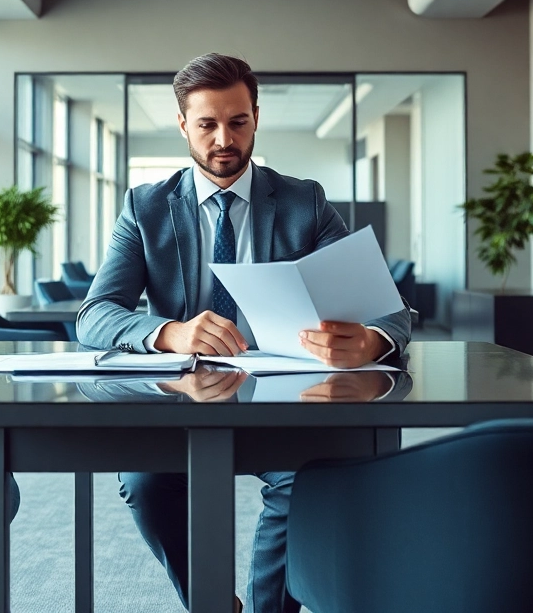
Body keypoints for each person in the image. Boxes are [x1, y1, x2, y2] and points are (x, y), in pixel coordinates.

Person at [77, 53, 412, 613]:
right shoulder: (147, 207)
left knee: (300, 484)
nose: (223, 139)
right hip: (181, 397)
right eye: (207, 124)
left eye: (237, 121)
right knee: (144, 481)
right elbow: (96, 314)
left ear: (256, 116)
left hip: (285, 398)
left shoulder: (305, 201)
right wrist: (170, 332)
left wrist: (373, 340)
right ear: (184, 124)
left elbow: (391, 310)